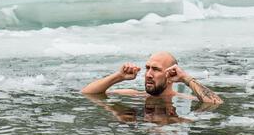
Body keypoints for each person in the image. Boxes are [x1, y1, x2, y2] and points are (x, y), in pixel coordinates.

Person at [82, 51, 223, 105]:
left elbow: (215, 103)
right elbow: (87, 93)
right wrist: (119, 76)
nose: (148, 74)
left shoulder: (181, 99)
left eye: (155, 69)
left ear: (171, 75)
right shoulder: (135, 95)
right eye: (147, 68)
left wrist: (185, 78)